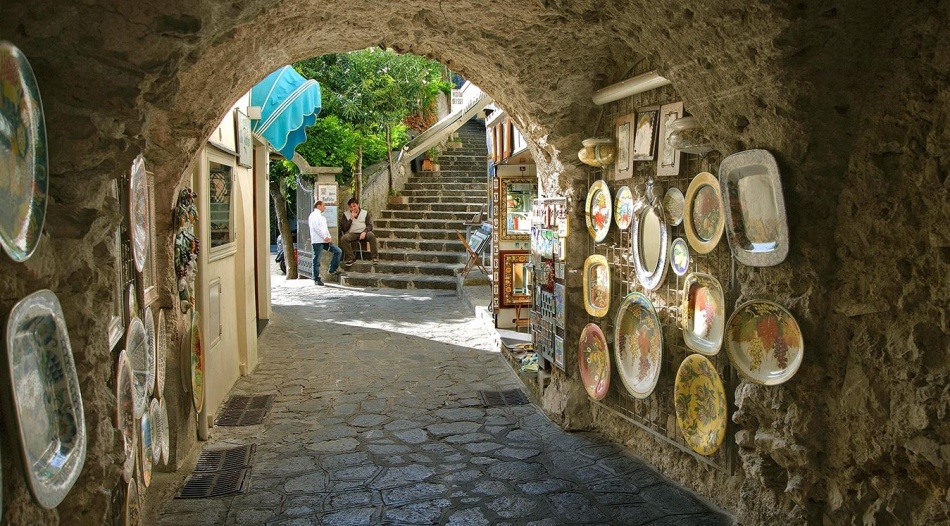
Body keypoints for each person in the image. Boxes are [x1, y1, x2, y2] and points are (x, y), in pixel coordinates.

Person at [307, 200, 342, 286]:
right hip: (317, 241)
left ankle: (332, 269)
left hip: (324, 240)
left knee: (338, 251)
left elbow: (325, 229)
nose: (325, 207)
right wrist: (324, 237)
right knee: (317, 260)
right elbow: (316, 228)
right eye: (323, 206)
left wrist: (329, 237)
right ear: (319, 206)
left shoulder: (322, 217)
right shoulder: (313, 215)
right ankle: (316, 278)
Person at [340, 197, 379, 267]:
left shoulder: (365, 213)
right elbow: (344, 228)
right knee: (343, 239)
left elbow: (370, 225)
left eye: (354, 206)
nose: (353, 208)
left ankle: (375, 257)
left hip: (363, 233)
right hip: (352, 234)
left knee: (372, 236)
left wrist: (364, 232)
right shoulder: (346, 214)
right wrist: (351, 218)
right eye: (351, 207)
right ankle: (351, 258)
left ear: (358, 205)